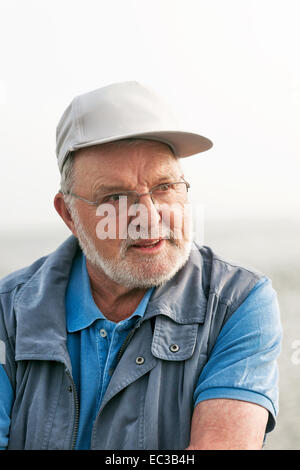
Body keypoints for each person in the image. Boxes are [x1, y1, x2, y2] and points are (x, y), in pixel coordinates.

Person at [0, 81, 281, 450]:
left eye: (164, 187)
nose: (148, 217)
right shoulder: (8, 312)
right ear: (68, 214)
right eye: (115, 197)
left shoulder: (236, 305)